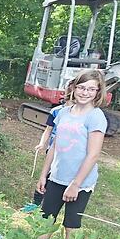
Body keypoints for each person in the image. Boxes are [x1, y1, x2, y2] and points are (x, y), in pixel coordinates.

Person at [36, 70, 107, 239]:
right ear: (74, 88)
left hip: (80, 181)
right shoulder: (64, 113)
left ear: (98, 92)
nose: (85, 92)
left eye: (91, 89)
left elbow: (93, 154)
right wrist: (44, 175)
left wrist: (75, 184)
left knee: (71, 224)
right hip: (57, 177)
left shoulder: (96, 116)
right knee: (46, 219)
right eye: (81, 87)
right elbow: (54, 146)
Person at [22, 81, 75, 212]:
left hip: (69, 153)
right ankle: (36, 203)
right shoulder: (56, 111)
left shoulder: (80, 114)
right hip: (53, 150)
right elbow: (48, 130)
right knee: (46, 176)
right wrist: (42, 143)